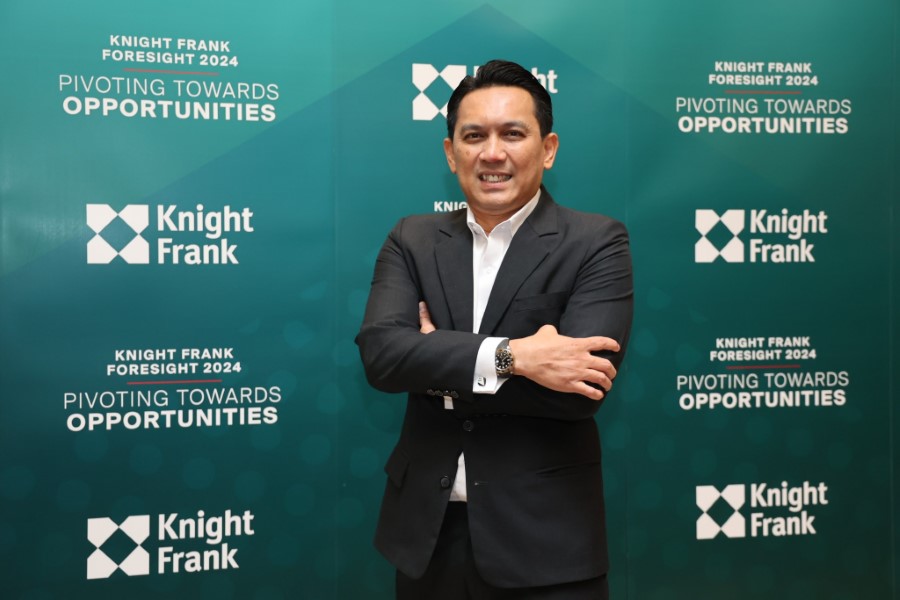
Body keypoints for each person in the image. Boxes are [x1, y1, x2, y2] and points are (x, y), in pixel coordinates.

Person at [356, 59, 633, 599]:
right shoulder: (411, 239)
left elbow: (578, 389)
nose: (492, 153)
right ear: (450, 152)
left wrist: (435, 360)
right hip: (426, 542)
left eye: (513, 134)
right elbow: (383, 357)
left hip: (546, 544)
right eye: (474, 136)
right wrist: (516, 357)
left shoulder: (596, 242)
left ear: (548, 149)